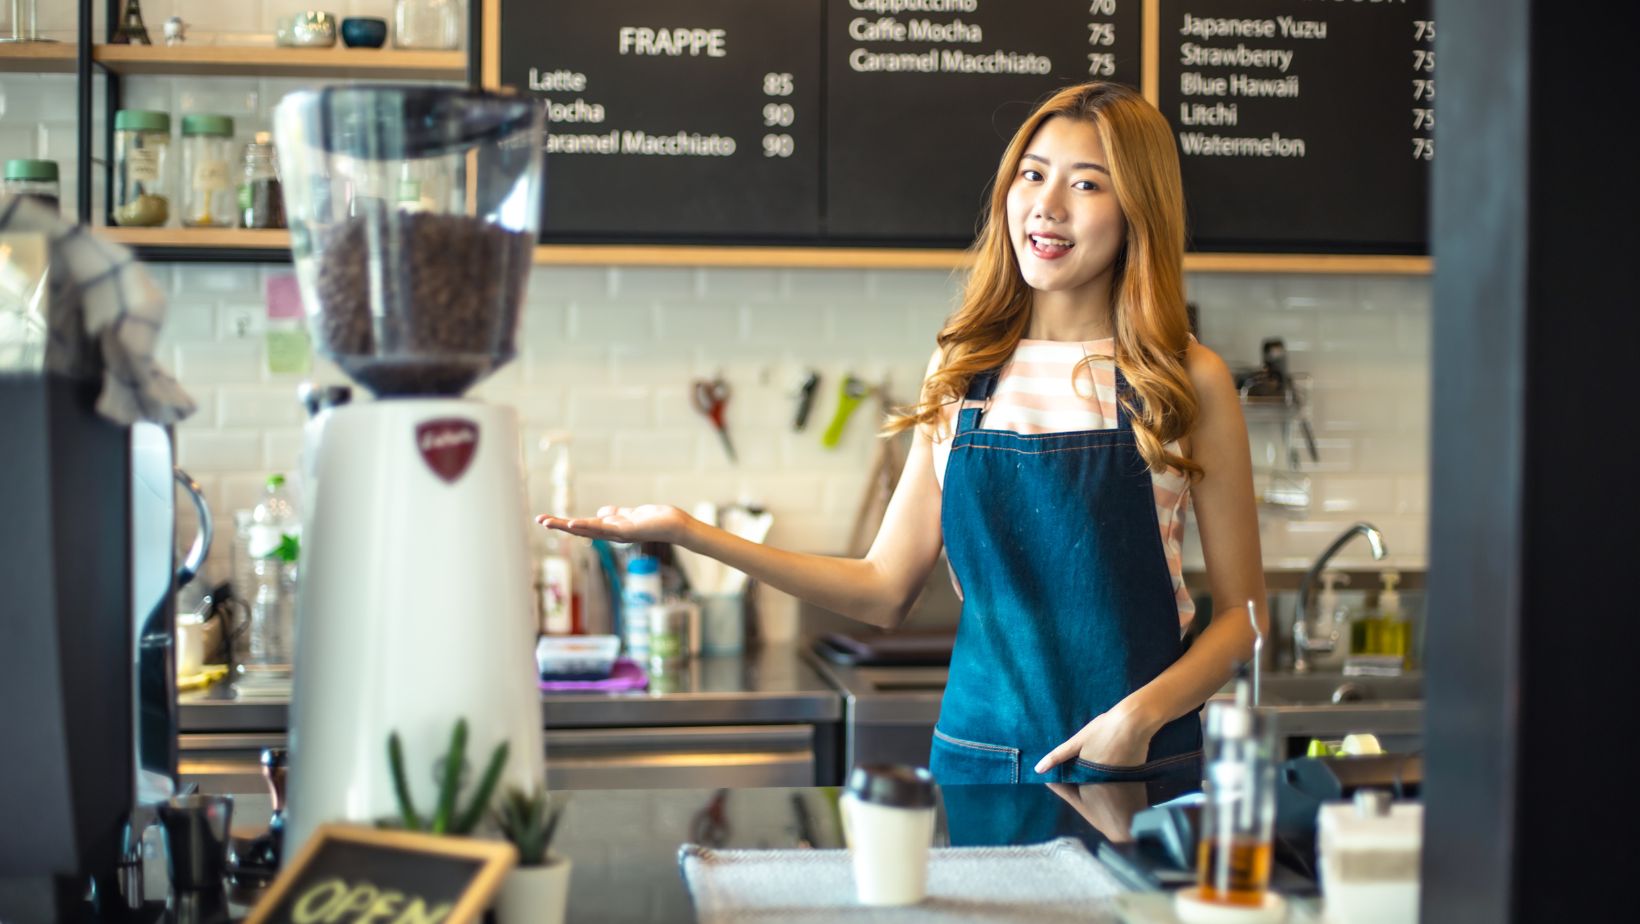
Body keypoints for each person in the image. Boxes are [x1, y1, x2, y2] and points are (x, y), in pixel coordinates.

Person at [538, 82, 1266, 784]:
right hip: (982, 760)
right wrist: (691, 533)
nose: (1045, 208)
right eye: (1032, 175)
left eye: (1086, 185)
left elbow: (1242, 618)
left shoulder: (1185, 378)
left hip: (1139, 765)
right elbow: (885, 589)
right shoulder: (962, 369)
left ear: (1139, 208)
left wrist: (1136, 720)